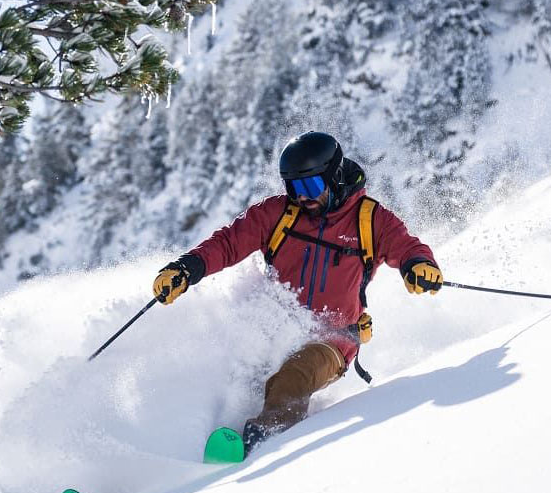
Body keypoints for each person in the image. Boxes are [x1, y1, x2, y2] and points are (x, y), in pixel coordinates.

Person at [152, 131, 443, 456]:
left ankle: (259, 448)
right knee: (216, 370)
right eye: (293, 187)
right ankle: (171, 455)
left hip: (332, 341)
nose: (301, 197)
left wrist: (418, 264)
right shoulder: (279, 214)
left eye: (310, 187)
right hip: (273, 329)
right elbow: (229, 242)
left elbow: (405, 245)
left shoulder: (368, 220)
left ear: (333, 177)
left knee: (295, 375)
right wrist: (187, 268)